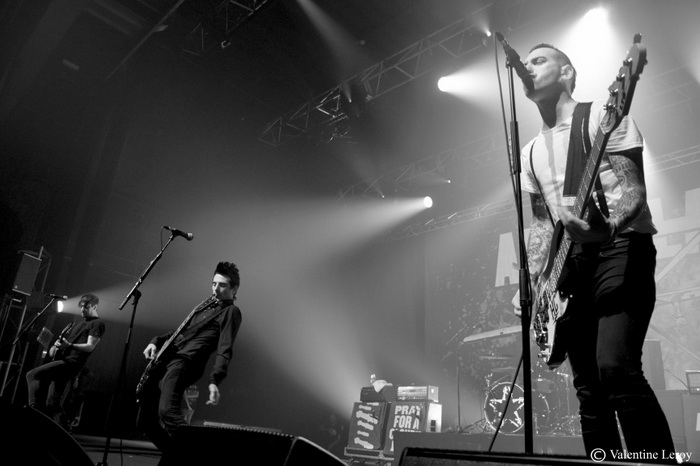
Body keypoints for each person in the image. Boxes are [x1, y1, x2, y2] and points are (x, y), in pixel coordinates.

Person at [511, 43, 676, 462]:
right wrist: (536, 284)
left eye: (538, 60)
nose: (527, 68)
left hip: (621, 245)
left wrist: (608, 227)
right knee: (588, 391)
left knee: (616, 367)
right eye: (524, 63)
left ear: (567, 73)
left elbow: (634, 190)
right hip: (571, 266)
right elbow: (542, 224)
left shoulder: (604, 119)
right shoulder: (530, 152)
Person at [136, 261, 242, 456]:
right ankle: (176, 457)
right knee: (145, 422)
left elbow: (225, 348)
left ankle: (195, 457)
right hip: (168, 360)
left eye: (222, 285)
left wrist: (215, 379)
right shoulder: (204, 307)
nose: (216, 289)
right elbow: (180, 333)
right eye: (214, 284)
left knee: (167, 412)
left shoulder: (230, 312)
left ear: (234, 289)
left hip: (184, 362)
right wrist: (156, 341)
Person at [26, 293, 105, 428]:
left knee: (32, 375)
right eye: (81, 307)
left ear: (95, 307)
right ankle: (64, 431)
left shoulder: (97, 324)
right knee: (52, 404)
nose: (82, 310)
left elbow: (90, 346)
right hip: (66, 362)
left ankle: (33, 409)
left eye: (86, 307)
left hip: (71, 363)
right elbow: (59, 349)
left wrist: (70, 345)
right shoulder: (79, 324)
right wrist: (56, 346)